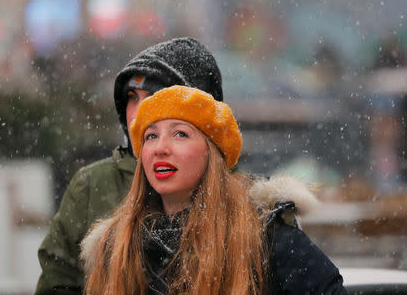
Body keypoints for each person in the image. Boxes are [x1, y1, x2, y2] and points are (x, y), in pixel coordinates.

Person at [80, 86, 349, 294]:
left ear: (212, 153)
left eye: (180, 134)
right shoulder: (116, 247)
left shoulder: (264, 235)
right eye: (151, 136)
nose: (161, 147)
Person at [35, 37, 224, 294]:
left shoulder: (244, 201)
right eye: (132, 98)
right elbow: (57, 282)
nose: (138, 112)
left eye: (154, 97)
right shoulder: (91, 186)